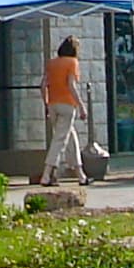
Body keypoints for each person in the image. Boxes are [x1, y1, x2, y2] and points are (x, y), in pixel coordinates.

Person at [40, 36, 90, 186]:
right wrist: (81, 105)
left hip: (53, 104)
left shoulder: (52, 63)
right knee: (60, 140)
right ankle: (46, 175)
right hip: (67, 105)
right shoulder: (72, 63)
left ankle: (80, 174)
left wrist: (46, 104)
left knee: (70, 137)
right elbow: (71, 85)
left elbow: (43, 85)